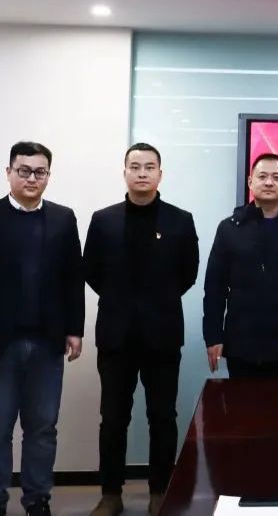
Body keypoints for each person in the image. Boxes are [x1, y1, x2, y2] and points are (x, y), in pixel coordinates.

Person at [0, 141, 84, 516]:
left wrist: (75, 329)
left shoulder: (63, 218)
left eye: (40, 172)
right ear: (9, 172)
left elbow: (73, 278)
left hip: (47, 342)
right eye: (23, 170)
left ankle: (37, 499)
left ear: (48, 176)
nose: (31, 178)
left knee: (42, 429)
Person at [83, 143, 199, 516]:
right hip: (116, 336)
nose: (142, 173)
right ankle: (111, 494)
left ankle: (160, 491)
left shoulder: (180, 220)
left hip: (162, 335)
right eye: (135, 166)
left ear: (160, 174)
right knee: (113, 419)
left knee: (162, 418)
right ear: (125, 172)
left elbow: (188, 273)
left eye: (150, 167)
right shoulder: (103, 220)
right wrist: (123, 301)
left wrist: (154, 302)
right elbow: (91, 271)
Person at [202, 153, 278, 378]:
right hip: (242, 344)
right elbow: (214, 289)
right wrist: (213, 336)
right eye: (262, 176)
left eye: (276, 177)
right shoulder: (230, 228)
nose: (269, 182)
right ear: (250, 181)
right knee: (241, 401)